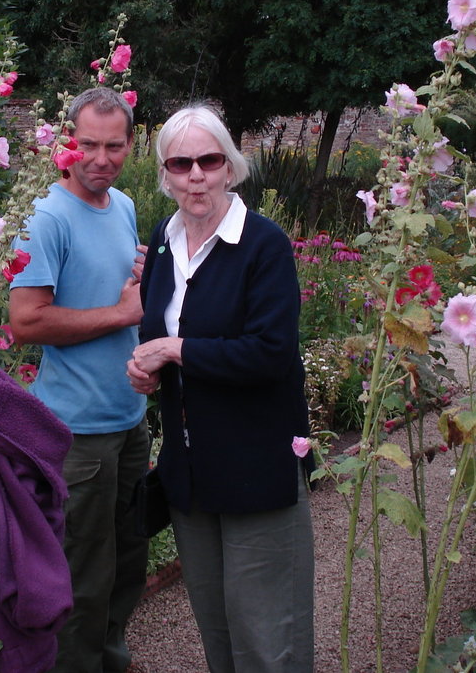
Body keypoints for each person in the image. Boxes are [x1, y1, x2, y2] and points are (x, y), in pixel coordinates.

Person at [126, 105, 314, 673]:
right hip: (190, 469)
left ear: (230, 167)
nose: (196, 174)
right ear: (166, 173)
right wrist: (148, 368)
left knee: (267, 637)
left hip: (255, 465)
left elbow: (270, 352)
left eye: (209, 160)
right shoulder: (163, 239)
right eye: (181, 164)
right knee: (216, 628)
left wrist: (175, 351)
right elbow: (156, 330)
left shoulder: (263, 244)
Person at [8, 87, 148, 673]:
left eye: (113, 147)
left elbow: (118, 287)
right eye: (87, 144)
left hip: (129, 420)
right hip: (78, 433)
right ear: (70, 141)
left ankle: (109, 661)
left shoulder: (121, 206)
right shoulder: (44, 216)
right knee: (81, 578)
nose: (100, 159)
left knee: (127, 565)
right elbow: (25, 321)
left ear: (130, 144)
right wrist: (123, 313)